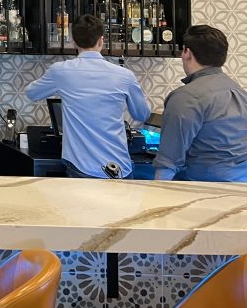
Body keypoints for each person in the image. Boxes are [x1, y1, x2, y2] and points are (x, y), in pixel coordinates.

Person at [26, 14, 151, 178]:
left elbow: (31, 93)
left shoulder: (61, 71)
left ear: (74, 41)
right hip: (119, 168)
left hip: (81, 169)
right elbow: (142, 114)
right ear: (101, 40)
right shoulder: (124, 76)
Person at [154, 25, 247, 182]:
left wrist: (154, 201)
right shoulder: (240, 93)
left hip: (204, 191)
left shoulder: (186, 97)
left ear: (187, 53)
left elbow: (168, 162)